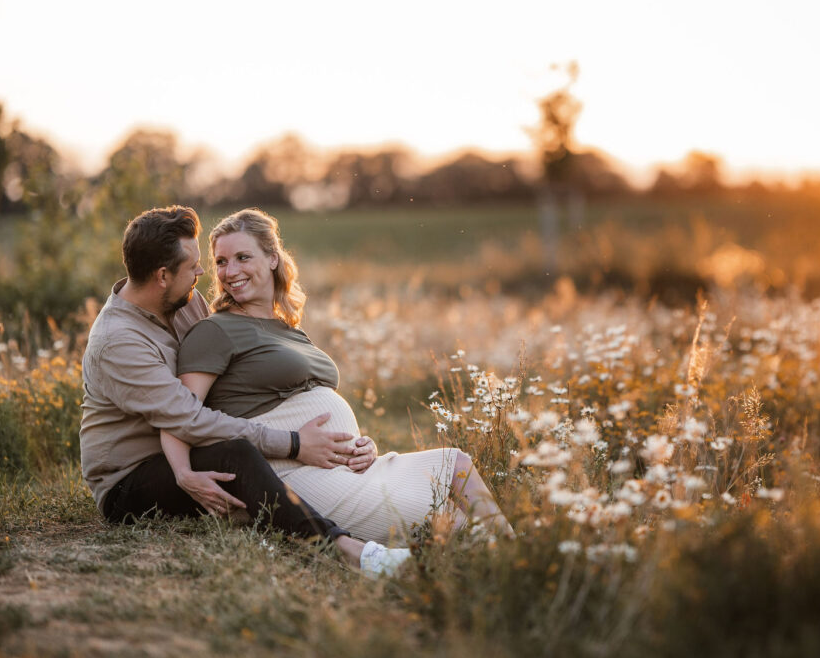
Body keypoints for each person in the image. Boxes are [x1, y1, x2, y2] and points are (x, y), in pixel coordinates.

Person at [79, 205, 411, 576]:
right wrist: (293, 443)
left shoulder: (185, 303)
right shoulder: (119, 341)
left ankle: (278, 518)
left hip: (185, 451)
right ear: (161, 275)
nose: (203, 273)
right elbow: (187, 416)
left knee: (239, 453)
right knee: (236, 454)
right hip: (130, 480)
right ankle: (347, 550)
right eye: (192, 266)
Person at [160, 207, 512, 545]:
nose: (229, 270)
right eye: (220, 261)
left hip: (348, 467)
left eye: (242, 257)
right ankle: (508, 564)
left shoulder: (288, 328)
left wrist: (360, 443)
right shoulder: (215, 331)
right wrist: (182, 473)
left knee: (456, 465)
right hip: (289, 471)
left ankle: (515, 555)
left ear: (272, 258)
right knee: (451, 523)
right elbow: (180, 414)